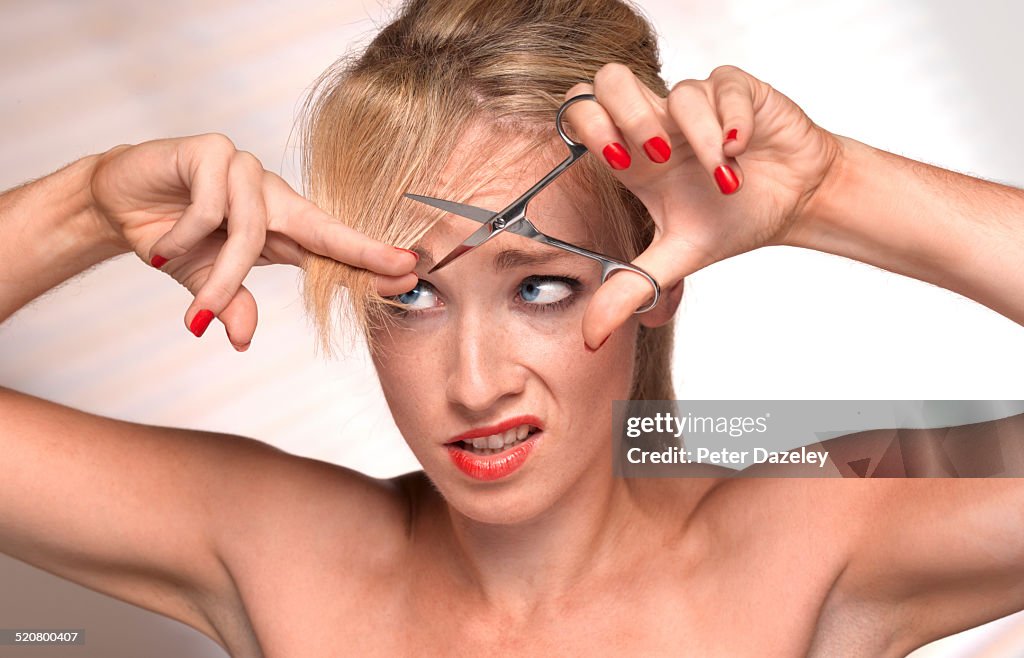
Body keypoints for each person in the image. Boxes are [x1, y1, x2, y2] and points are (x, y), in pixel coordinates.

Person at [2, 0, 1023, 655]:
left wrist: (834, 190)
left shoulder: (812, 540)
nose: (474, 381)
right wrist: (85, 208)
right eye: (411, 294)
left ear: (654, 280)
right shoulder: (281, 550)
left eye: (538, 286)